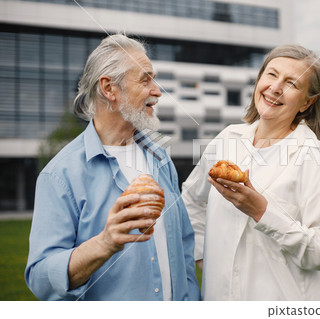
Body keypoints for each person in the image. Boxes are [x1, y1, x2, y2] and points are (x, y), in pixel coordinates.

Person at [25, 34, 200, 301]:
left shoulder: (161, 159)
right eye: (145, 79)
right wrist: (104, 244)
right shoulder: (60, 175)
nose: (157, 91)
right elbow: (41, 279)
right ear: (109, 89)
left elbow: (184, 248)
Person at [182, 44, 320, 301]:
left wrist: (262, 212)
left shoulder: (311, 156)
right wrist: (201, 253)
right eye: (271, 74)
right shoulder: (227, 139)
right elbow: (192, 199)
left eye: (292, 83)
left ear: (307, 102)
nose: (275, 87)